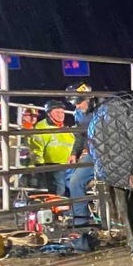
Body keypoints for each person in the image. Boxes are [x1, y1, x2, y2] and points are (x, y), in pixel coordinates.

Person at [65, 84, 98, 226]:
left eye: (79, 102)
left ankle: (81, 224)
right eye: (74, 103)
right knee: (67, 176)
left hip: (105, 155)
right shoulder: (78, 113)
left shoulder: (103, 110)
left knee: (75, 181)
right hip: (91, 153)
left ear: (89, 98)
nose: (77, 106)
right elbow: (80, 136)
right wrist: (74, 153)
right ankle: (77, 212)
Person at [28, 100, 76, 195]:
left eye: (62, 112)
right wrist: (39, 165)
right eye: (57, 112)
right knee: (60, 193)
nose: (61, 115)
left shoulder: (65, 129)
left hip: (68, 166)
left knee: (71, 191)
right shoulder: (41, 127)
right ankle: (59, 209)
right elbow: (36, 148)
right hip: (52, 166)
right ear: (49, 113)